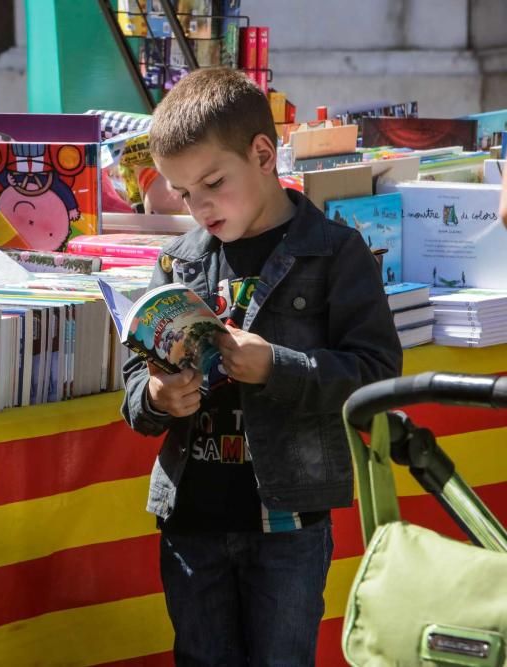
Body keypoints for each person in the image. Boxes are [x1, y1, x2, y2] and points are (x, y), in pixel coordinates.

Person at [120, 68, 402, 666]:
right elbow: (133, 389)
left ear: (263, 153)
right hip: (190, 519)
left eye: (213, 183)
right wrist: (157, 397)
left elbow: (376, 372)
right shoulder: (177, 263)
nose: (199, 207)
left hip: (289, 526)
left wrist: (278, 365)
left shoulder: (334, 252)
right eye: (183, 192)